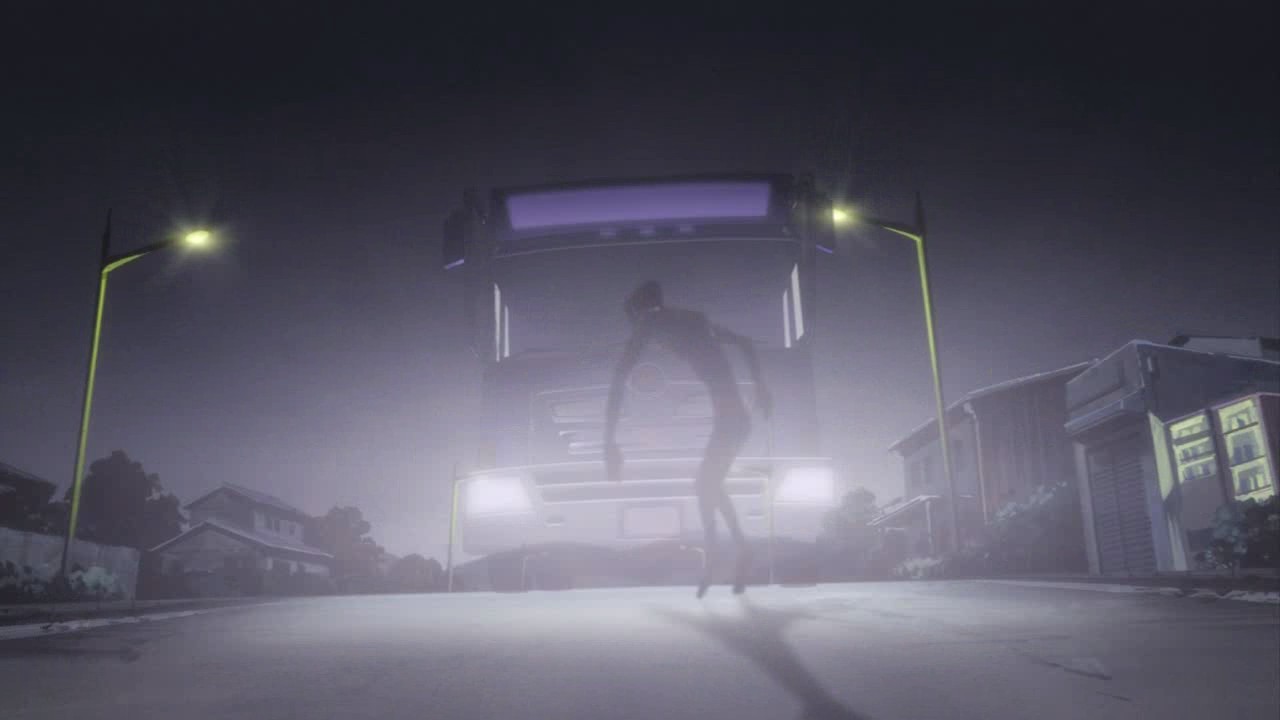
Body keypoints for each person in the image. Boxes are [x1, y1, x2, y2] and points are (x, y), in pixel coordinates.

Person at [604, 280, 772, 597]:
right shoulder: (696, 320)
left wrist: (608, 442)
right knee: (708, 485)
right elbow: (745, 343)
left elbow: (620, 375)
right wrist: (761, 386)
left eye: (634, 321)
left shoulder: (650, 321)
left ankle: (720, 556)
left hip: (731, 421)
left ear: (641, 311)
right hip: (735, 419)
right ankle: (736, 550)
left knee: (705, 485)